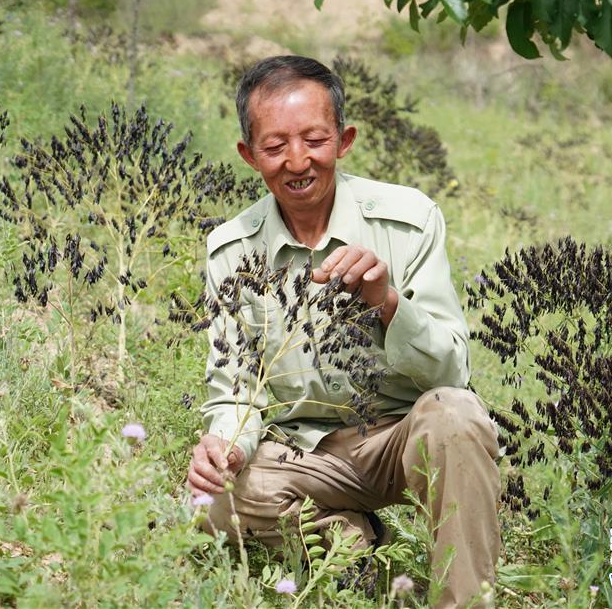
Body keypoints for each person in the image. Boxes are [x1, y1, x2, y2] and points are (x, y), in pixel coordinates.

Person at [186, 55, 500, 608]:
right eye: (275, 146)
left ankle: (465, 601)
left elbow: (451, 370)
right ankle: (350, 543)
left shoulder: (409, 219)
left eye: (315, 140)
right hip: (304, 454)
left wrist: (387, 301)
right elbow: (237, 388)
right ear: (248, 154)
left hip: (401, 440)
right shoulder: (231, 250)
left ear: (344, 140)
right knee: (209, 503)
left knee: (456, 414)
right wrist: (226, 447)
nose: (297, 161)